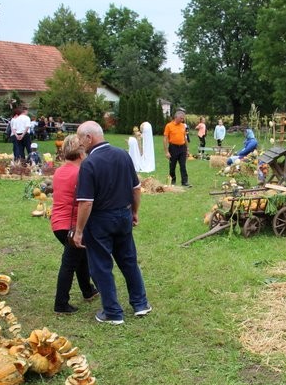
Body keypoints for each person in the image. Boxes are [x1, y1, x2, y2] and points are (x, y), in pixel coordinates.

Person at [72, 121, 151, 325]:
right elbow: (136, 188)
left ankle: (113, 313)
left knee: (100, 265)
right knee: (128, 260)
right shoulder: (123, 155)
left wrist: (79, 230)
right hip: (123, 215)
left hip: (100, 219)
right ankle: (140, 304)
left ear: (89, 138)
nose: (79, 143)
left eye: (80, 138)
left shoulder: (89, 164)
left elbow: (86, 202)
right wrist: (134, 211)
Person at [50, 134, 98, 314]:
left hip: (58, 224)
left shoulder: (60, 171)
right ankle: (61, 304)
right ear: (81, 153)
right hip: (71, 225)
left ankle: (88, 290)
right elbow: (87, 200)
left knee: (80, 256)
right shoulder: (80, 172)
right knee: (69, 263)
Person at [163, 111, 190, 187]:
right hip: (173, 148)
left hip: (182, 148)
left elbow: (185, 138)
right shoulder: (169, 126)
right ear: (176, 117)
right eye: (181, 118)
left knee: (183, 165)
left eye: (183, 118)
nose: (182, 120)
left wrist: (187, 149)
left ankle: (185, 182)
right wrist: (166, 152)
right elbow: (165, 139)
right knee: (172, 166)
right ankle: (172, 181)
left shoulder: (183, 126)